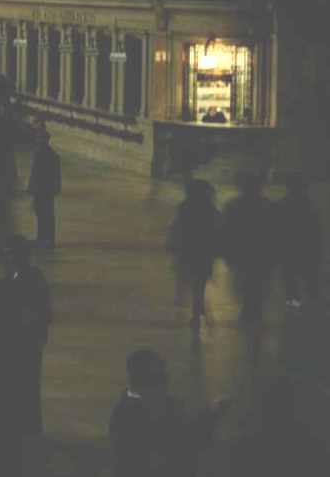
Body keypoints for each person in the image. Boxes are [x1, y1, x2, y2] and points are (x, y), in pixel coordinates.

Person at [108, 349, 226, 477]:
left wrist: (211, 415)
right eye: (160, 376)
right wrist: (211, 415)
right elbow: (185, 440)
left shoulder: (125, 411)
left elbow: (188, 437)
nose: (165, 381)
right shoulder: (132, 413)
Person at [0, 236, 51, 441]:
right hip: (16, 342)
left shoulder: (31, 278)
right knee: (18, 385)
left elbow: (39, 312)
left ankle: (29, 428)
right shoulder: (11, 276)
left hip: (24, 342)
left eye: (10, 254)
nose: (7, 258)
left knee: (27, 385)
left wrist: (36, 335)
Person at [220, 171, 278, 326]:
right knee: (257, 283)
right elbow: (275, 232)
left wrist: (226, 251)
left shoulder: (233, 206)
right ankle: (254, 310)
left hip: (243, 253)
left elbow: (226, 230)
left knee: (245, 282)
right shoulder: (268, 206)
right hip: (261, 254)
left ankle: (249, 310)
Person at [169, 179, 219, 331]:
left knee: (191, 282)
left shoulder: (184, 208)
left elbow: (178, 228)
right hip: (204, 254)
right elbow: (218, 230)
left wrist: (173, 244)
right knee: (199, 285)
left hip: (188, 252)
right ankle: (197, 310)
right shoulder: (211, 210)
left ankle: (196, 310)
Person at [275, 176, 322, 311]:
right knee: (310, 280)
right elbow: (315, 231)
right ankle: (310, 307)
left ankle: (294, 307)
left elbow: (278, 230)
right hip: (307, 249)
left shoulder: (283, 204)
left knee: (291, 281)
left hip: (289, 250)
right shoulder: (309, 205)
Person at [27, 126, 62, 248]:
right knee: (46, 213)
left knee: (42, 213)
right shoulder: (53, 155)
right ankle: (47, 238)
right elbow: (57, 175)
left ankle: (43, 238)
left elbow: (34, 173)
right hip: (47, 189)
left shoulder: (40, 154)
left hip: (42, 189)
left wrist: (31, 188)